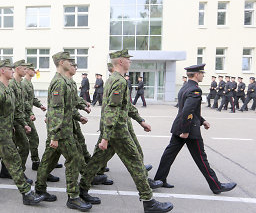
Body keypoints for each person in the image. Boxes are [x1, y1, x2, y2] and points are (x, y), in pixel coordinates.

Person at [79, 49, 173, 212]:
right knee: (136, 163)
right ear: (121, 61)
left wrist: (140, 120)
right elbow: (112, 109)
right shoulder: (119, 81)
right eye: (128, 60)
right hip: (117, 131)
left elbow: (125, 105)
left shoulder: (113, 80)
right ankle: (148, 201)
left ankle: (81, 191)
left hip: (111, 130)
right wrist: (106, 137)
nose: (130, 62)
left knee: (96, 161)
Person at [154, 64, 237, 194]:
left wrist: (202, 121)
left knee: (169, 154)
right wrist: (186, 131)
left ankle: (159, 179)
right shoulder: (195, 90)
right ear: (197, 75)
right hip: (189, 130)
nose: (203, 75)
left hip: (179, 126)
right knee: (201, 158)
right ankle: (216, 186)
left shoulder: (185, 87)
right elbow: (188, 110)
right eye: (202, 73)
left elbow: (187, 109)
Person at [0, 59, 45, 205]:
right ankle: (26, 193)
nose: (13, 71)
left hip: (7, 132)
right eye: (10, 69)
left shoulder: (8, 90)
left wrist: (23, 124)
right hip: (1, 134)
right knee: (14, 161)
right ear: (2, 71)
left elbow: (15, 112)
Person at [35, 51, 92, 211]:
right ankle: (73, 197)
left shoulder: (64, 82)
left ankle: (40, 189)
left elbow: (67, 107)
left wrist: (78, 117)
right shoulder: (59, 83)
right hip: (61, 131)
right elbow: (56, 110)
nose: (72, 62)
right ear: (61, 62)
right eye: (68, 60)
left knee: (49, 160)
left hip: (62, 129)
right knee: (73, 159)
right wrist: (54, 135)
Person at [22, 63, 59, 182]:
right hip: (24, 115)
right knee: (30, 139)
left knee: (30, 140)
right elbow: (24, 101)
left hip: (27, 114)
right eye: (32, 70)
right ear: (27, 70)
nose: (35, 71)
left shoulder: (29, 83)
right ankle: (34, 162)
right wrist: (30, 113)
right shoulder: (24, 83)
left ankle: (36, 161)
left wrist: (40, 105)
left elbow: (31, 99)